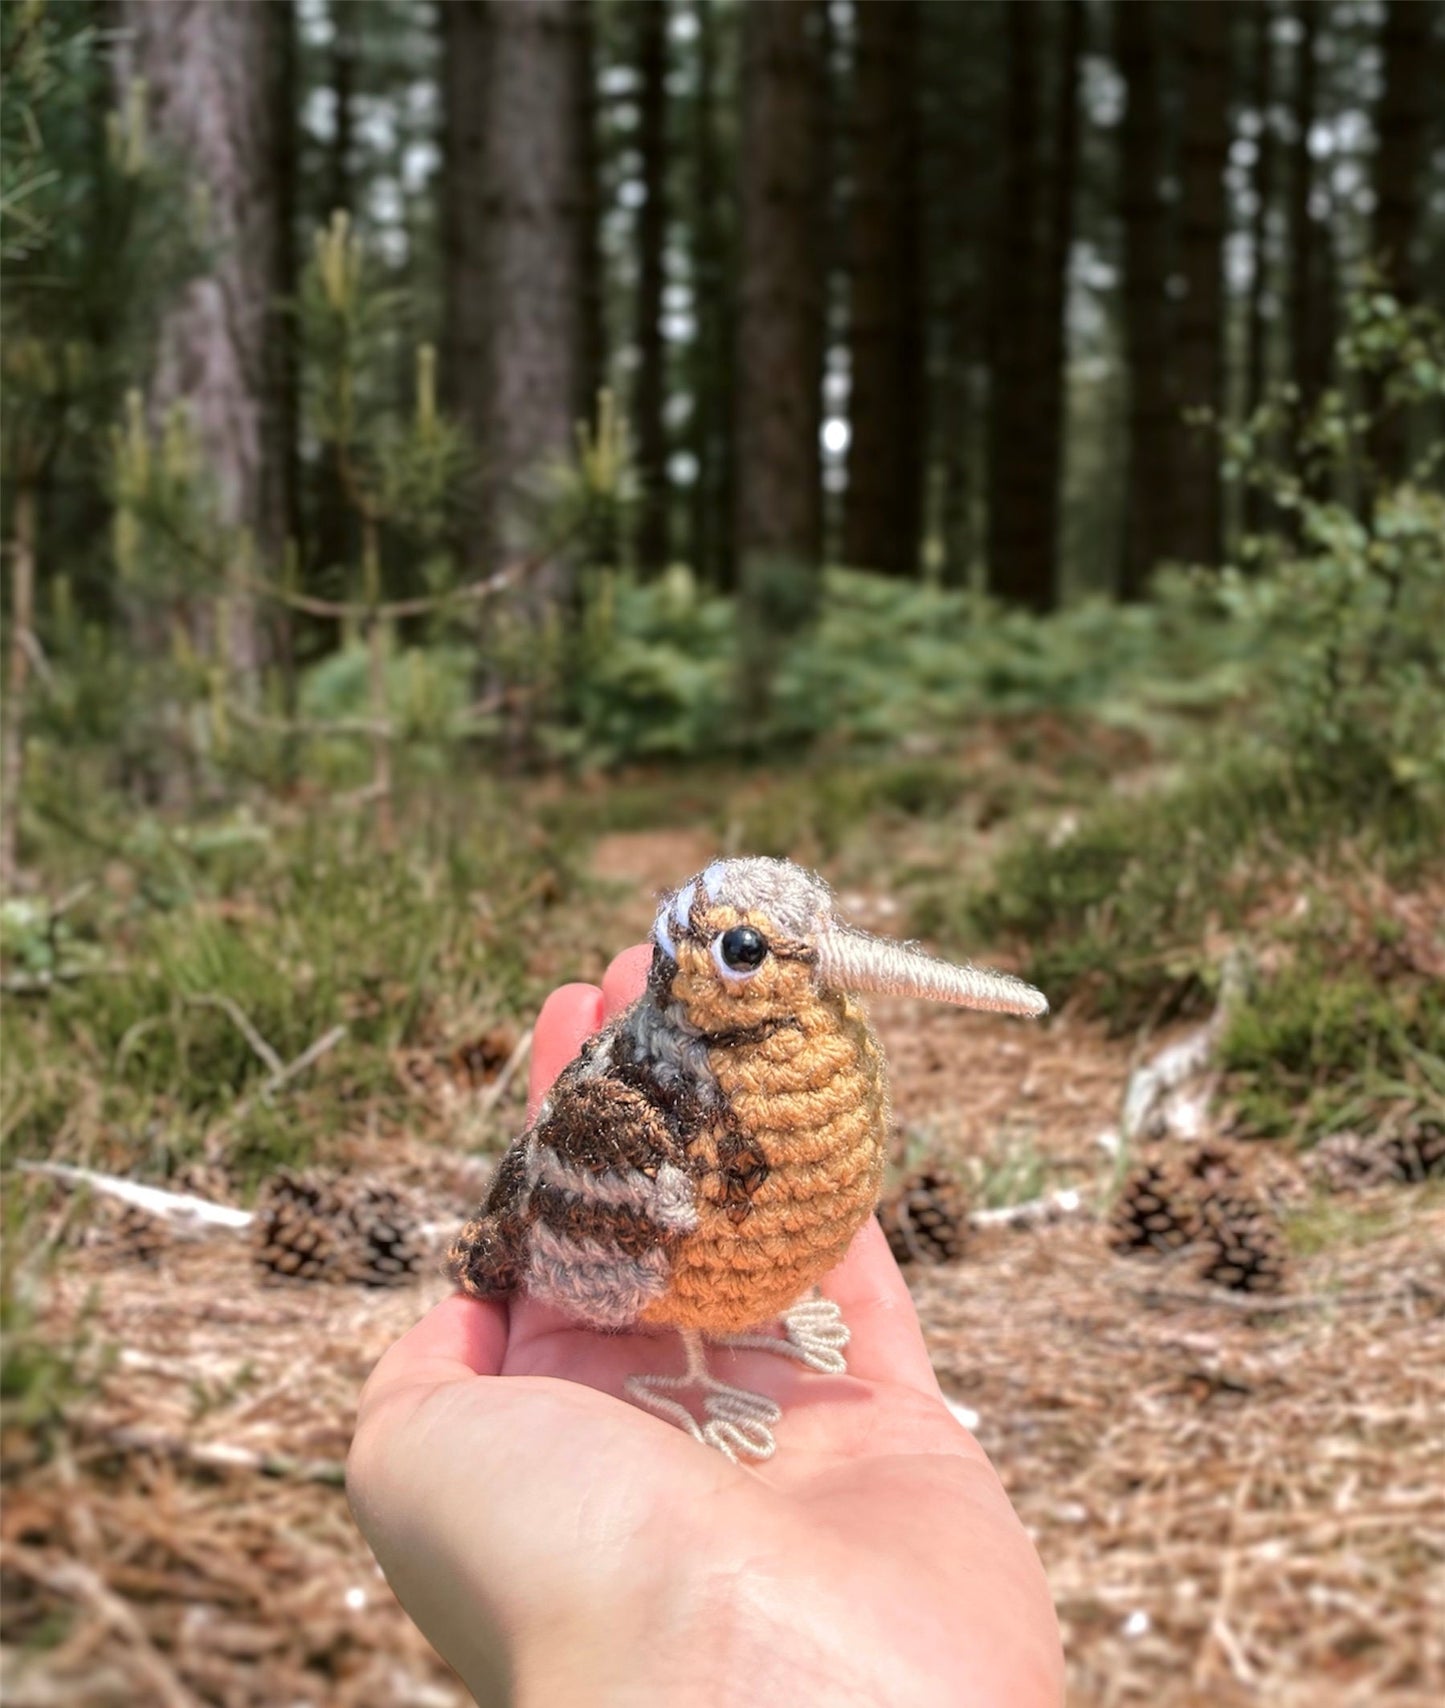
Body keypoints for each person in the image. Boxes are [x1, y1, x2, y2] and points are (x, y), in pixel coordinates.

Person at [347, 945, 1064, 1706]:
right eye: (745, 949)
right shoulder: (645, 1111)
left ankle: (726, 1331)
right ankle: (692, 1360)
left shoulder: (821, 1057)